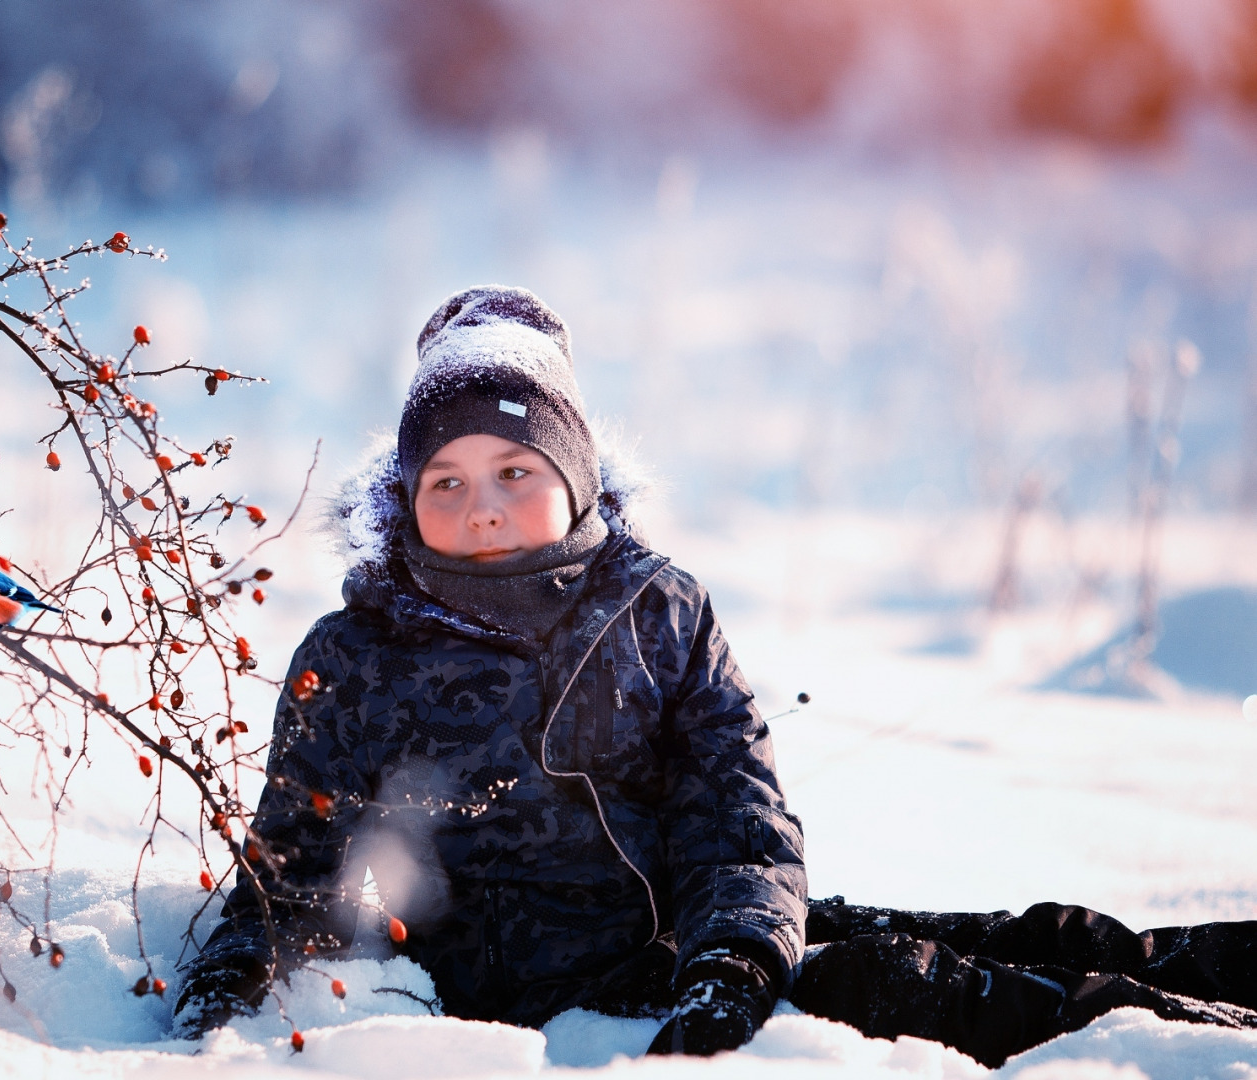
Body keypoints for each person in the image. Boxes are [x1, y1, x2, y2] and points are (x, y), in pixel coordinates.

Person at [175, 285, 1257, 1065]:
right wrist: (234, 967)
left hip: (684, 948)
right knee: (912, 984)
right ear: (402, 498)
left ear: (579, 479)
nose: (482, 505)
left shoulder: (654, 613)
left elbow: (734, 814)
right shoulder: (352, 657)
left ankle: (1211, 993)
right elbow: (297, 857)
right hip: (579, 999)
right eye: (444, 481)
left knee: (1001, 940)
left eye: (515, 470)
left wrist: (737, 952)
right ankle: (1153, 1032)